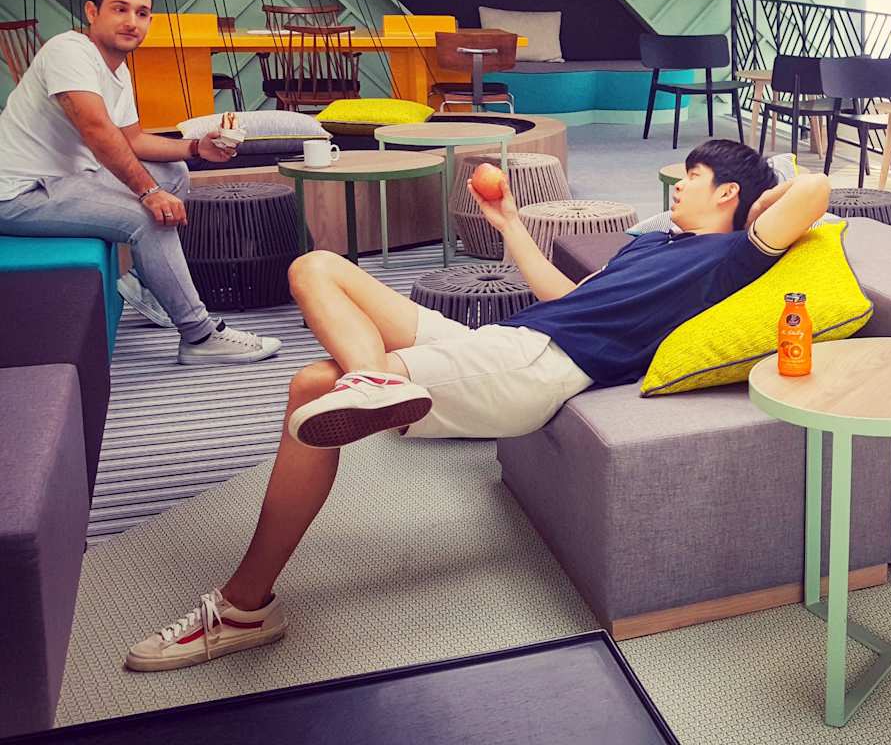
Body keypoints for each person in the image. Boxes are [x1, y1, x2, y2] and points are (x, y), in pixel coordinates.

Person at [124, 139, 827, 671]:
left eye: (693, 177)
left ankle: (244, 607)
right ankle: (374, 383)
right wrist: (509, 220)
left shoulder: (733, 258)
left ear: (727, 193)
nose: (678, 185)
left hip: (534, 368)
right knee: (316, 266)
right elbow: (564, 297)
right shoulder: (654, 244)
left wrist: (758, 203)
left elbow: (814, 189)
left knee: (312, 385)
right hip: (507, 339)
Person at [0, 0, 281, 364]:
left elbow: (131, 139)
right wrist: (149, 193)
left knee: (175, 172)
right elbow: (97, 130)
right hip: (19, 194)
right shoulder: (68, 51)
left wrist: (196, 148)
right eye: (120, 9)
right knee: (146, 217)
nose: (132, 21)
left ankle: (147, 285)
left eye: (142, 13)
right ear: (92, 12)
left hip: (66, 180)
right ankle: (199, 336)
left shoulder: (118, 70)